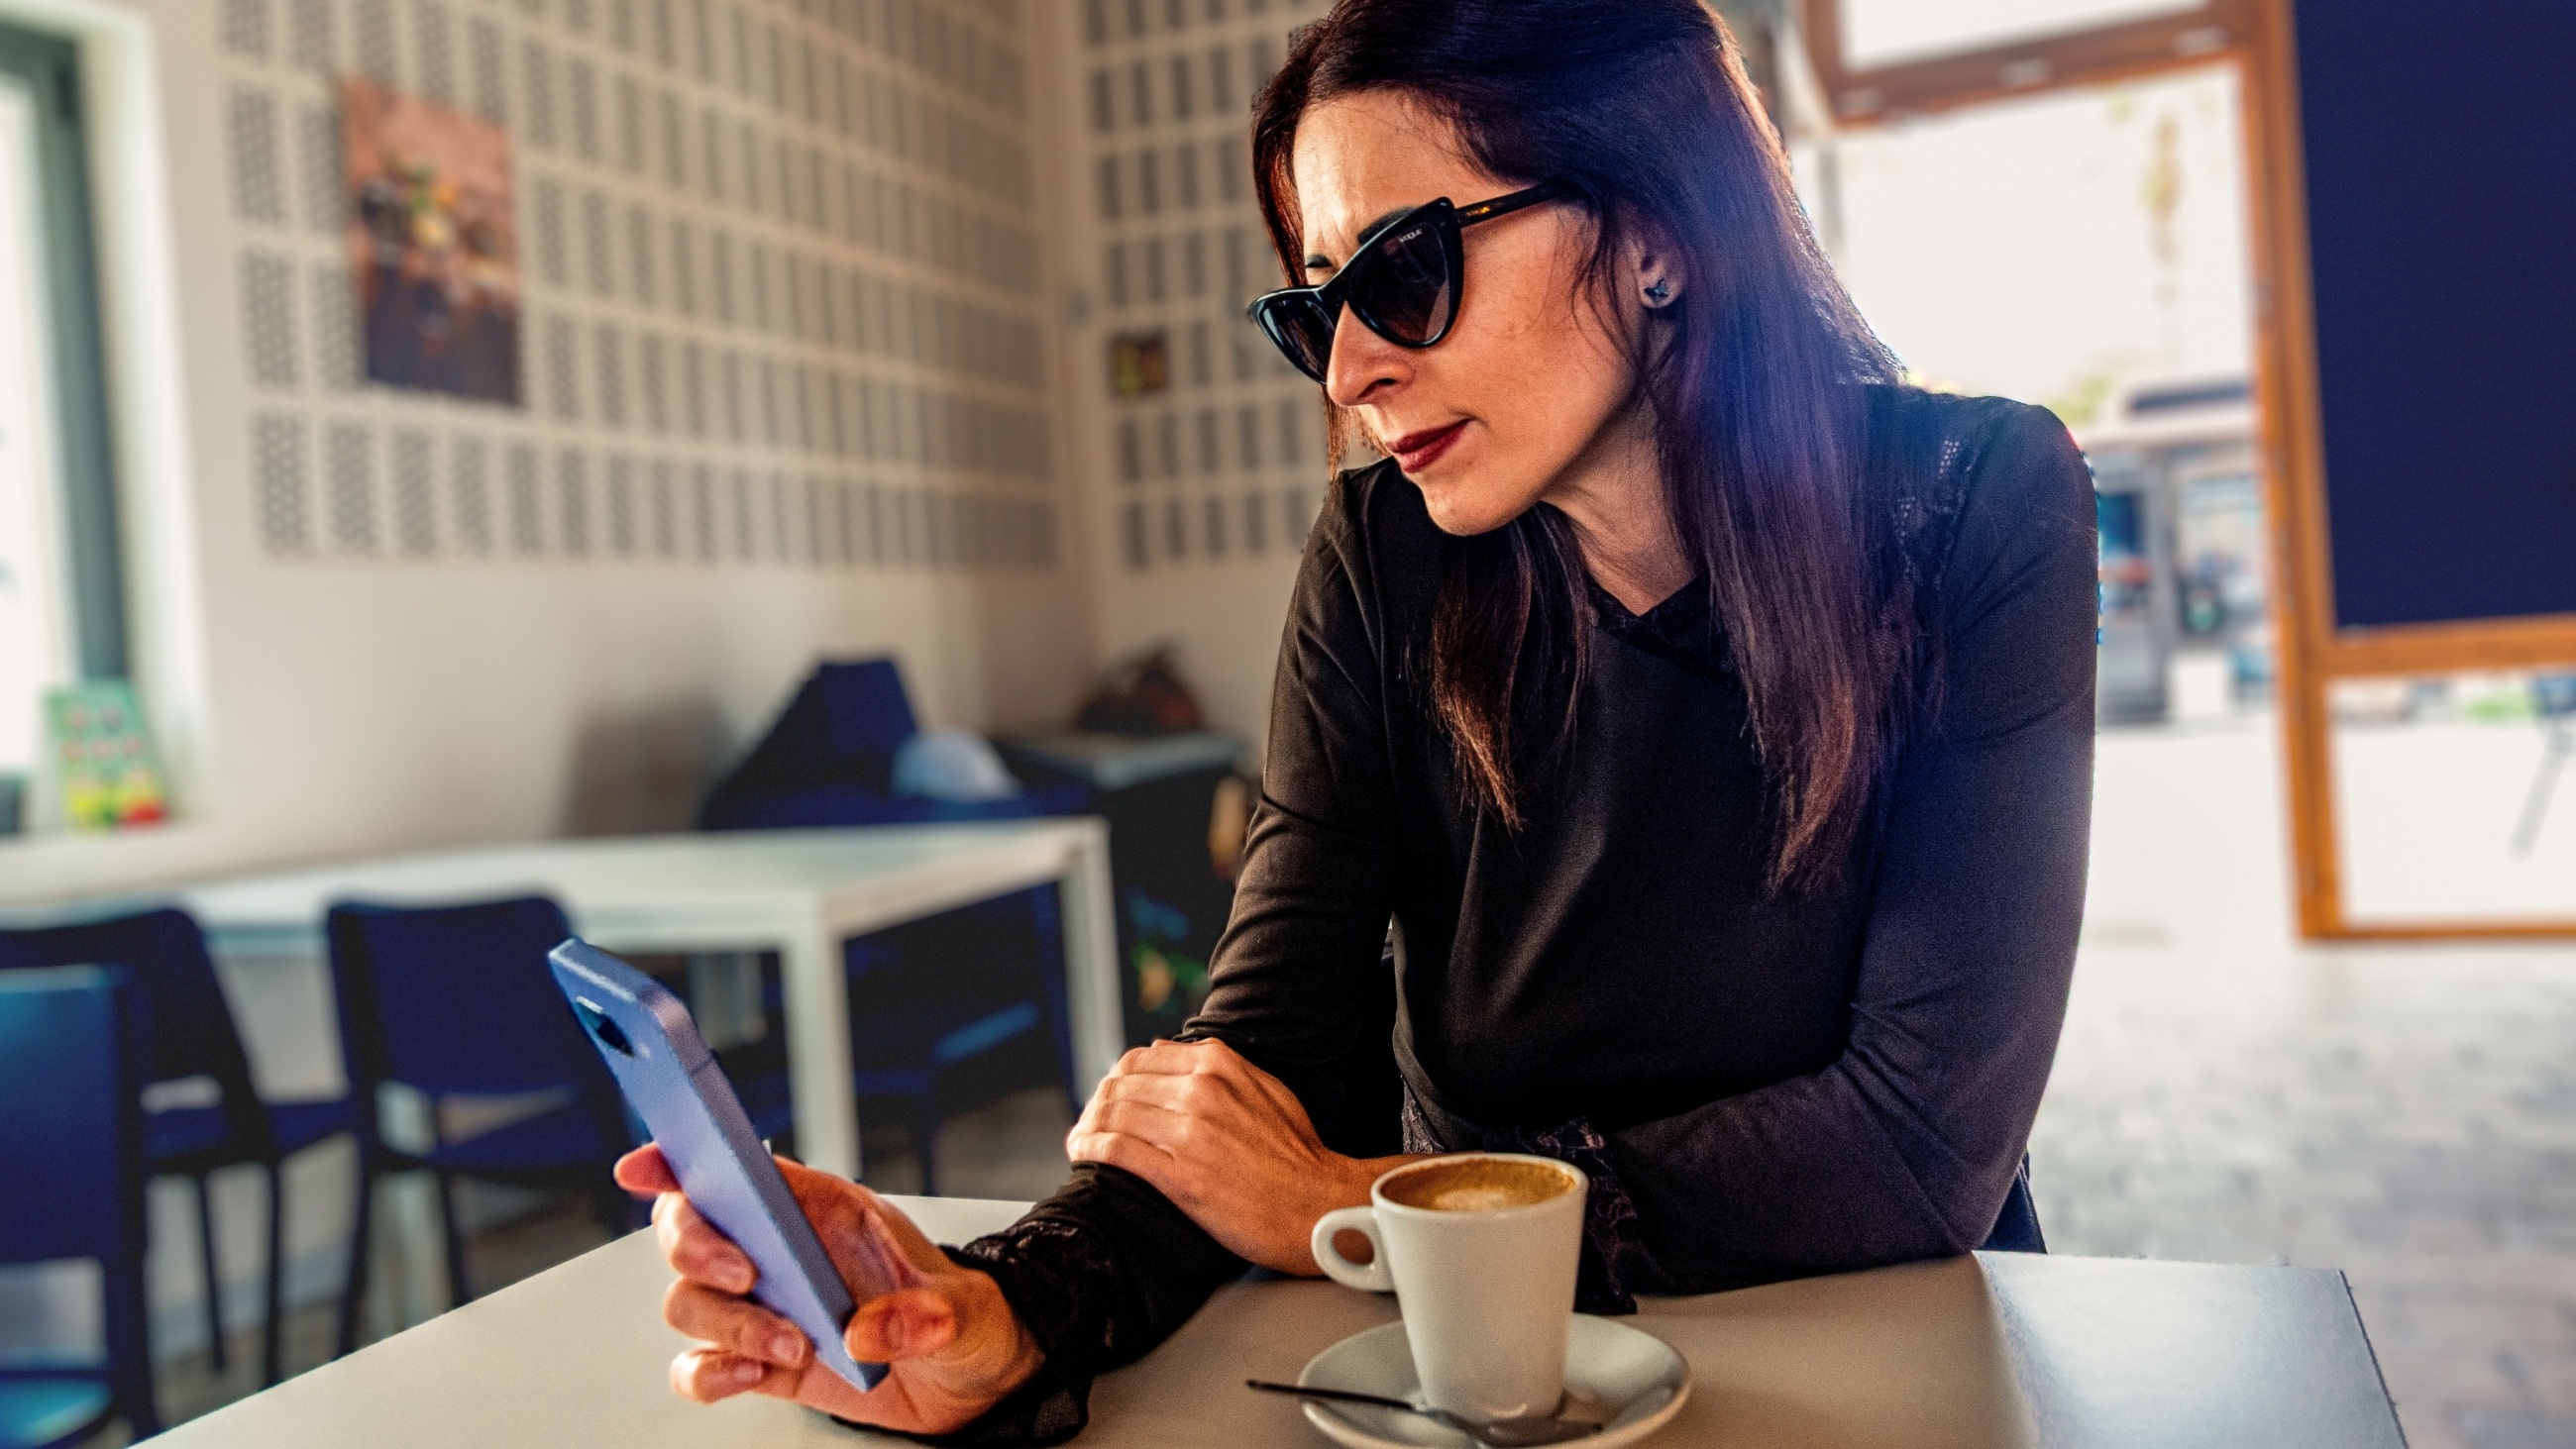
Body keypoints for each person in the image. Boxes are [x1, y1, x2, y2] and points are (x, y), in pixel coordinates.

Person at [613, 0, 2095, 1440]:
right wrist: (1005, 1309)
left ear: (1655, 232)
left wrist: (1350, 1205)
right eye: (1315, 306)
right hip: (1480, 1361)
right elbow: (1262, 1058)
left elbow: (1917, 1141)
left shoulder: (1974, 512)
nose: (1348, 369)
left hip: (1882, 1357)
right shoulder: (1387, 557)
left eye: (1403, 271)